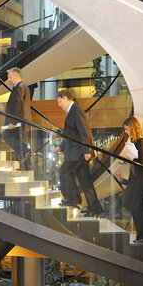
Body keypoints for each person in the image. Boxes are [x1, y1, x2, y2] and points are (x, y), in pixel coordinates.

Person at [54, 89, 103, 217]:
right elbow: (71, 135)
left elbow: (84, 131)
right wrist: (60, 147)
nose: (59, 105)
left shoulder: (76, 110)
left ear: (65, 97)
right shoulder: (72, 111)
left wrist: (87, 150)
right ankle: (94, 208)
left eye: (59, 101)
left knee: (64, 172)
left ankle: (73, 199)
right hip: (77, 152)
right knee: (85, 182)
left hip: (78, 153)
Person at [118, 117, 143, 243]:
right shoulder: (134, 141)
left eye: (127, 129)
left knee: (135, 206)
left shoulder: (142, 141)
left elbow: (142, 162)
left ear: (133, 128)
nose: (126, 132)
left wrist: (131, 158)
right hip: (137, 178)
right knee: (126, 201)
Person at [3, 67, 32, 171]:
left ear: (16, 76)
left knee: (7, 136)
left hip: (19, 121)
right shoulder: (23, 86)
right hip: (22, 120)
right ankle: (27, 166)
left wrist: (12, 122)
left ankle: (26, 151)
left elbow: (17, 105)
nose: (9, 80)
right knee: (19, 141)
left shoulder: (19, 87)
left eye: (10, 77)